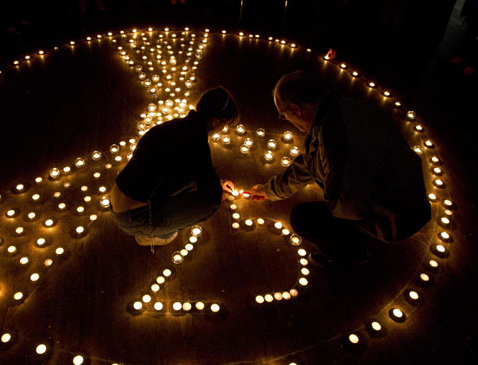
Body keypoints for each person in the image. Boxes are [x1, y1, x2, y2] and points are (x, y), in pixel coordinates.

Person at [250, 71, 431, 266]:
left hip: (396, 216)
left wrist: (330, 201)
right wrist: (270, 190)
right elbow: (310, 162)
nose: (286, 119)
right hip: (397, 199)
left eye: (283, 114)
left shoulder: (336, 139)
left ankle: (351, 256)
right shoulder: (335, 109)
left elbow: (349, 205)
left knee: (304, 219)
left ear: (295, 109)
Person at [111, 87, 238, 247]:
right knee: (211, 203)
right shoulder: (197, 142)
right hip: (136, 217)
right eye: (224, 125)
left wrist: (217, 181)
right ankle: (149, 235)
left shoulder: (172, 126)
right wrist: (221, 194)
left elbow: (178, 169)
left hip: (116, 199)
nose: (222, 129)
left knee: (189, 183)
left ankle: (151, 227)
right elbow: (210, 194)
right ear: (215, 121)